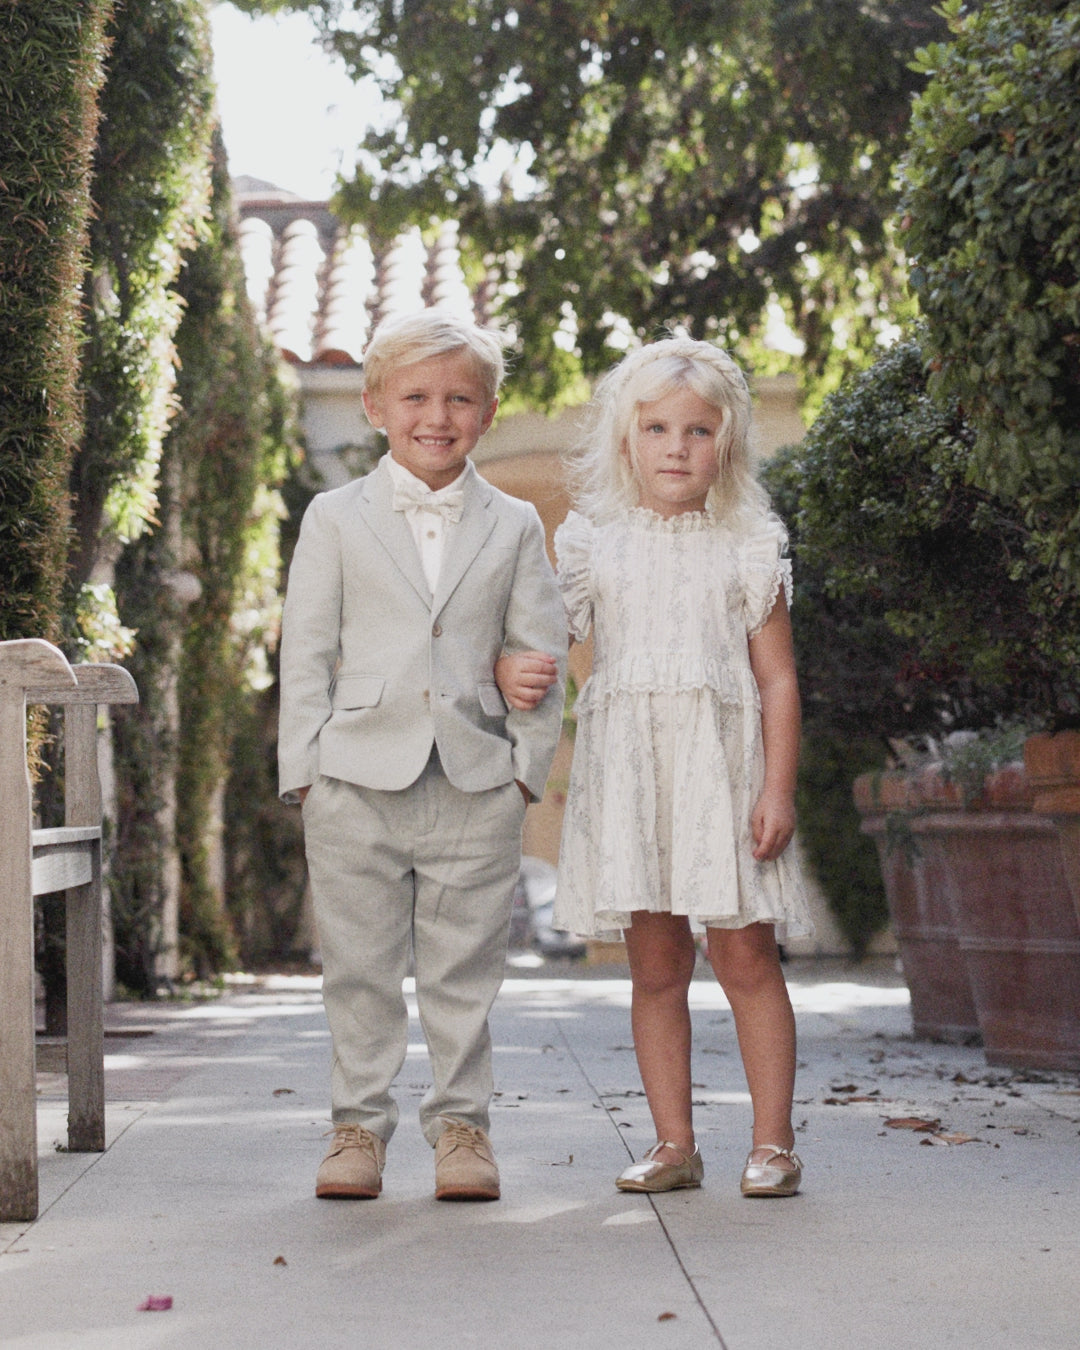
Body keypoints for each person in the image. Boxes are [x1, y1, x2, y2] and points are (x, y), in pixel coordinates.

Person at [496, 336, 812, 1197]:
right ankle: (675, 1143)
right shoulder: (592, 542)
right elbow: (549, 645)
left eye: (700, 431)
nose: (678, 447)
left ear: (728, 442)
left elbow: (778, 677)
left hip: (725, 776)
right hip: (631, 779)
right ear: (626, 439)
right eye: (659, 429)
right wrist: (508, 668)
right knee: (656, 967)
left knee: (747, 959)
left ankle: (773, 1143)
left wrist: (776, 788)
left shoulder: (749, 543)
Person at [279, 309, 567, 1203]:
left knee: (462, 975)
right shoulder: (334, 518)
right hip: (354, 780)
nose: (435, 415)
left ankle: (463, 1134)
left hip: (476, 782)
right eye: (414, 396)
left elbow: (541, 653)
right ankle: (356, 1131)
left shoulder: (515, 523)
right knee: (359, 972)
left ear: (487, 411)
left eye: (458, 399)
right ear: (374, 405)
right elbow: (307, 649)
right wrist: (304, 771)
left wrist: (525, 768)